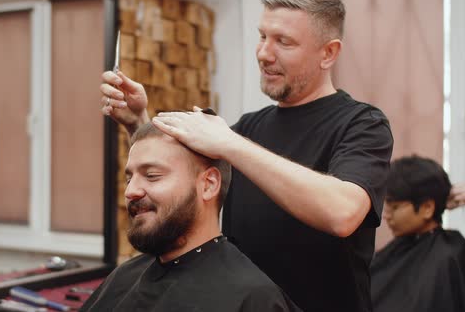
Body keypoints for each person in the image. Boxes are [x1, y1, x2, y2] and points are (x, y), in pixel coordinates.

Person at [99, 0, 393, 311]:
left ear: (328, 53)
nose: (264, 53)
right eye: (262, 36)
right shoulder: (249, 127)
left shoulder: (363, 124)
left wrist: (231, 144)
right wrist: (137, 121)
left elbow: (343, 214)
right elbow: (180, 188)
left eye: (283, 41)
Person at [80, 123, 300, 312]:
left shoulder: (252, 297)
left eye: (152, 176)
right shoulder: (124, 277)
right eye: (129, 178)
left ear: (208, 185)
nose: (131, 191)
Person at [370, 155, 465, 312]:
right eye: (386, 207)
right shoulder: (390, 255)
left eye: (394, 207)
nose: (386, 215)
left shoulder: (451, 256)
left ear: (427, 207)